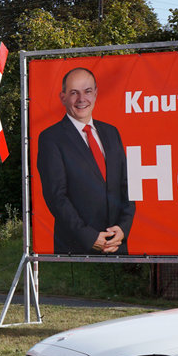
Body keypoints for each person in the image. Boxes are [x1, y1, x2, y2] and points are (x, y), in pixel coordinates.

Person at [36, 66, 134, 254]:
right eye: (74, 93)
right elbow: (56, 197)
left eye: (87, 91)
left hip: (117, 247)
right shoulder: (51, 138)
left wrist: (123, 228)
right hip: (77, 250)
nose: (82, 99)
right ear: (63, 97)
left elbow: (127, 186)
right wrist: (89, 236)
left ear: (96, 93)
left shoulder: (111, 133)